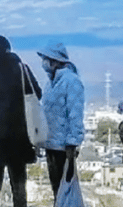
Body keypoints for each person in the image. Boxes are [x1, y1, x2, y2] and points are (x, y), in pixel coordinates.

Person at [0, 35, 42, 207]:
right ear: (9, 49)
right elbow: (36, 93)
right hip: (17, 134)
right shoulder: (21, 70)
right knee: (18, 184)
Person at [38, 42, 85, 200]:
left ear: (55, 60)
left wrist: (72, 142)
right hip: (51, 144)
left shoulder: (71, 81)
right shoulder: (49, 84)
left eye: (46, 58)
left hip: (64, 147)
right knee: (57, 191)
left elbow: (75, 114)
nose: (44, 62)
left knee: (65, 191)